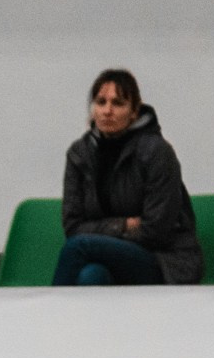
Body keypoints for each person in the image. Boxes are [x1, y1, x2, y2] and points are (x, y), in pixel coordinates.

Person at [54, 68, 204, 286]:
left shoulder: (157, 152)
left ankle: (48, 317)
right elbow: (73, 227)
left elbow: (156, 231)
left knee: (80, 247)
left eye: (118, 103)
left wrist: (99, 233)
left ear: (134, 111)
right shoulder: (80, 154)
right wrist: (124, 225)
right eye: (101, 102)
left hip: (162, 260)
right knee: (91, 276)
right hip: (112, 258)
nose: (107, 111)